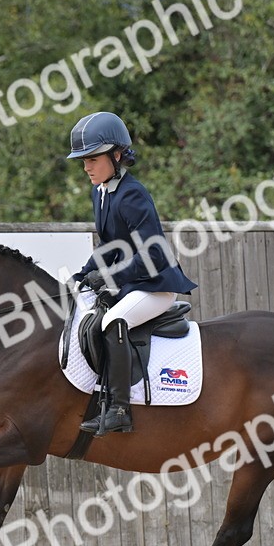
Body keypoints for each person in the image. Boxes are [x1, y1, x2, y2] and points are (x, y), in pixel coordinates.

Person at [67, 111, 198, 435]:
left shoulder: (132, 194)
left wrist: (110, 277)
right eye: (83, 160)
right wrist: (85, 274)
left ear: (116, 155)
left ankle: (120, 409)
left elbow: (154, 254)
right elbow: (110, 246)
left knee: (114, 322)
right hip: (131, 284)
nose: (86, 166)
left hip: (155, 285)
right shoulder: (101, 193)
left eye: (93, 158)